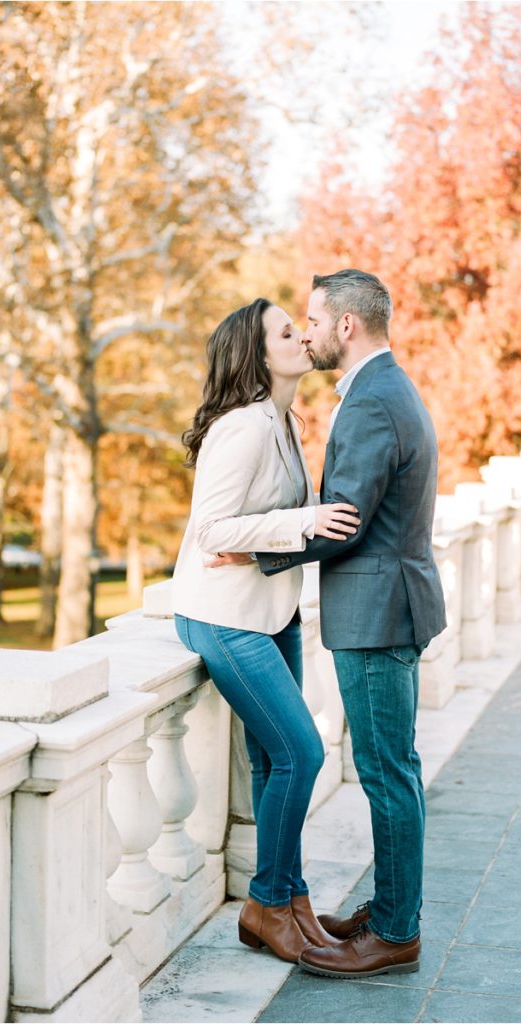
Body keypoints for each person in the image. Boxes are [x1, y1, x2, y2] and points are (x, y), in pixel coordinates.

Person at [212, 270, 446, 979]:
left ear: (346, 325)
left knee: (384, 772)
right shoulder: (383, 390)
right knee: (390, 767)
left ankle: (397, 932)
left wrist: (252, 548)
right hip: (385, 606)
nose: (306, 333)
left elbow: (344, 522)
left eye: (312, 320)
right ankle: (392, 907)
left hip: (376, 615)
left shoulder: (371, 403)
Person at [171, 297, 360, 963]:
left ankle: (290, 901)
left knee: (269, 759)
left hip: (271, 610)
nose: (301, 336)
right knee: (302, 753)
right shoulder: (244, 427)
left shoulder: (283, 422)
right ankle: (266, 902)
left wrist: (300, 521)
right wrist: (303, 523)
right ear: (258, 356)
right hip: (222, 617)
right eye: (286, 331)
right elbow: (211, 533)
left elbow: (265, 524)